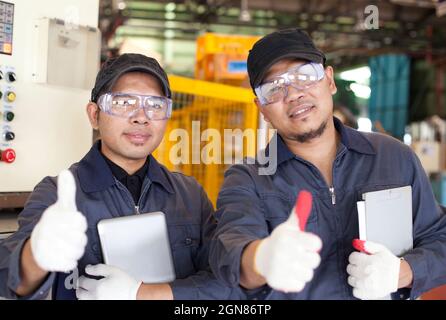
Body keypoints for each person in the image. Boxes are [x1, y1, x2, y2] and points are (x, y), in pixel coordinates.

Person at [208, 29, 446, 300]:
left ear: (329, 80)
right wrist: (261, 258)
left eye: (305, 76)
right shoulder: (248, 179)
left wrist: (403, 272)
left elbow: (440, 237)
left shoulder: (394, 157)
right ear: (261, 108)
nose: (294, 94)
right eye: (274, 88)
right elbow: (231, 253)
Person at [0, 53, 244, 300]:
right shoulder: (57, 194)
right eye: (124, 102)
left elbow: (227, 281)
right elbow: (8, 278)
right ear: (95, 115)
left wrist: (143, 294)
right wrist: (35, 255)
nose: (141, 116)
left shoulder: (189, 194)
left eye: (155, 105)